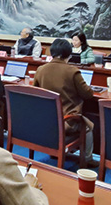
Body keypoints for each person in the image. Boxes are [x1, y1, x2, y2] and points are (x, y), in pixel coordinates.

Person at [33, 38, 96, 167]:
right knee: (88, 126)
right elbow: (88, 94)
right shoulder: (72, 71)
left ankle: (56, 149)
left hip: (46, 120)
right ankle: (88, 159)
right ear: (69, 54)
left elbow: (36, 92)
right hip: (67, 121)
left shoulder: (40, 69)